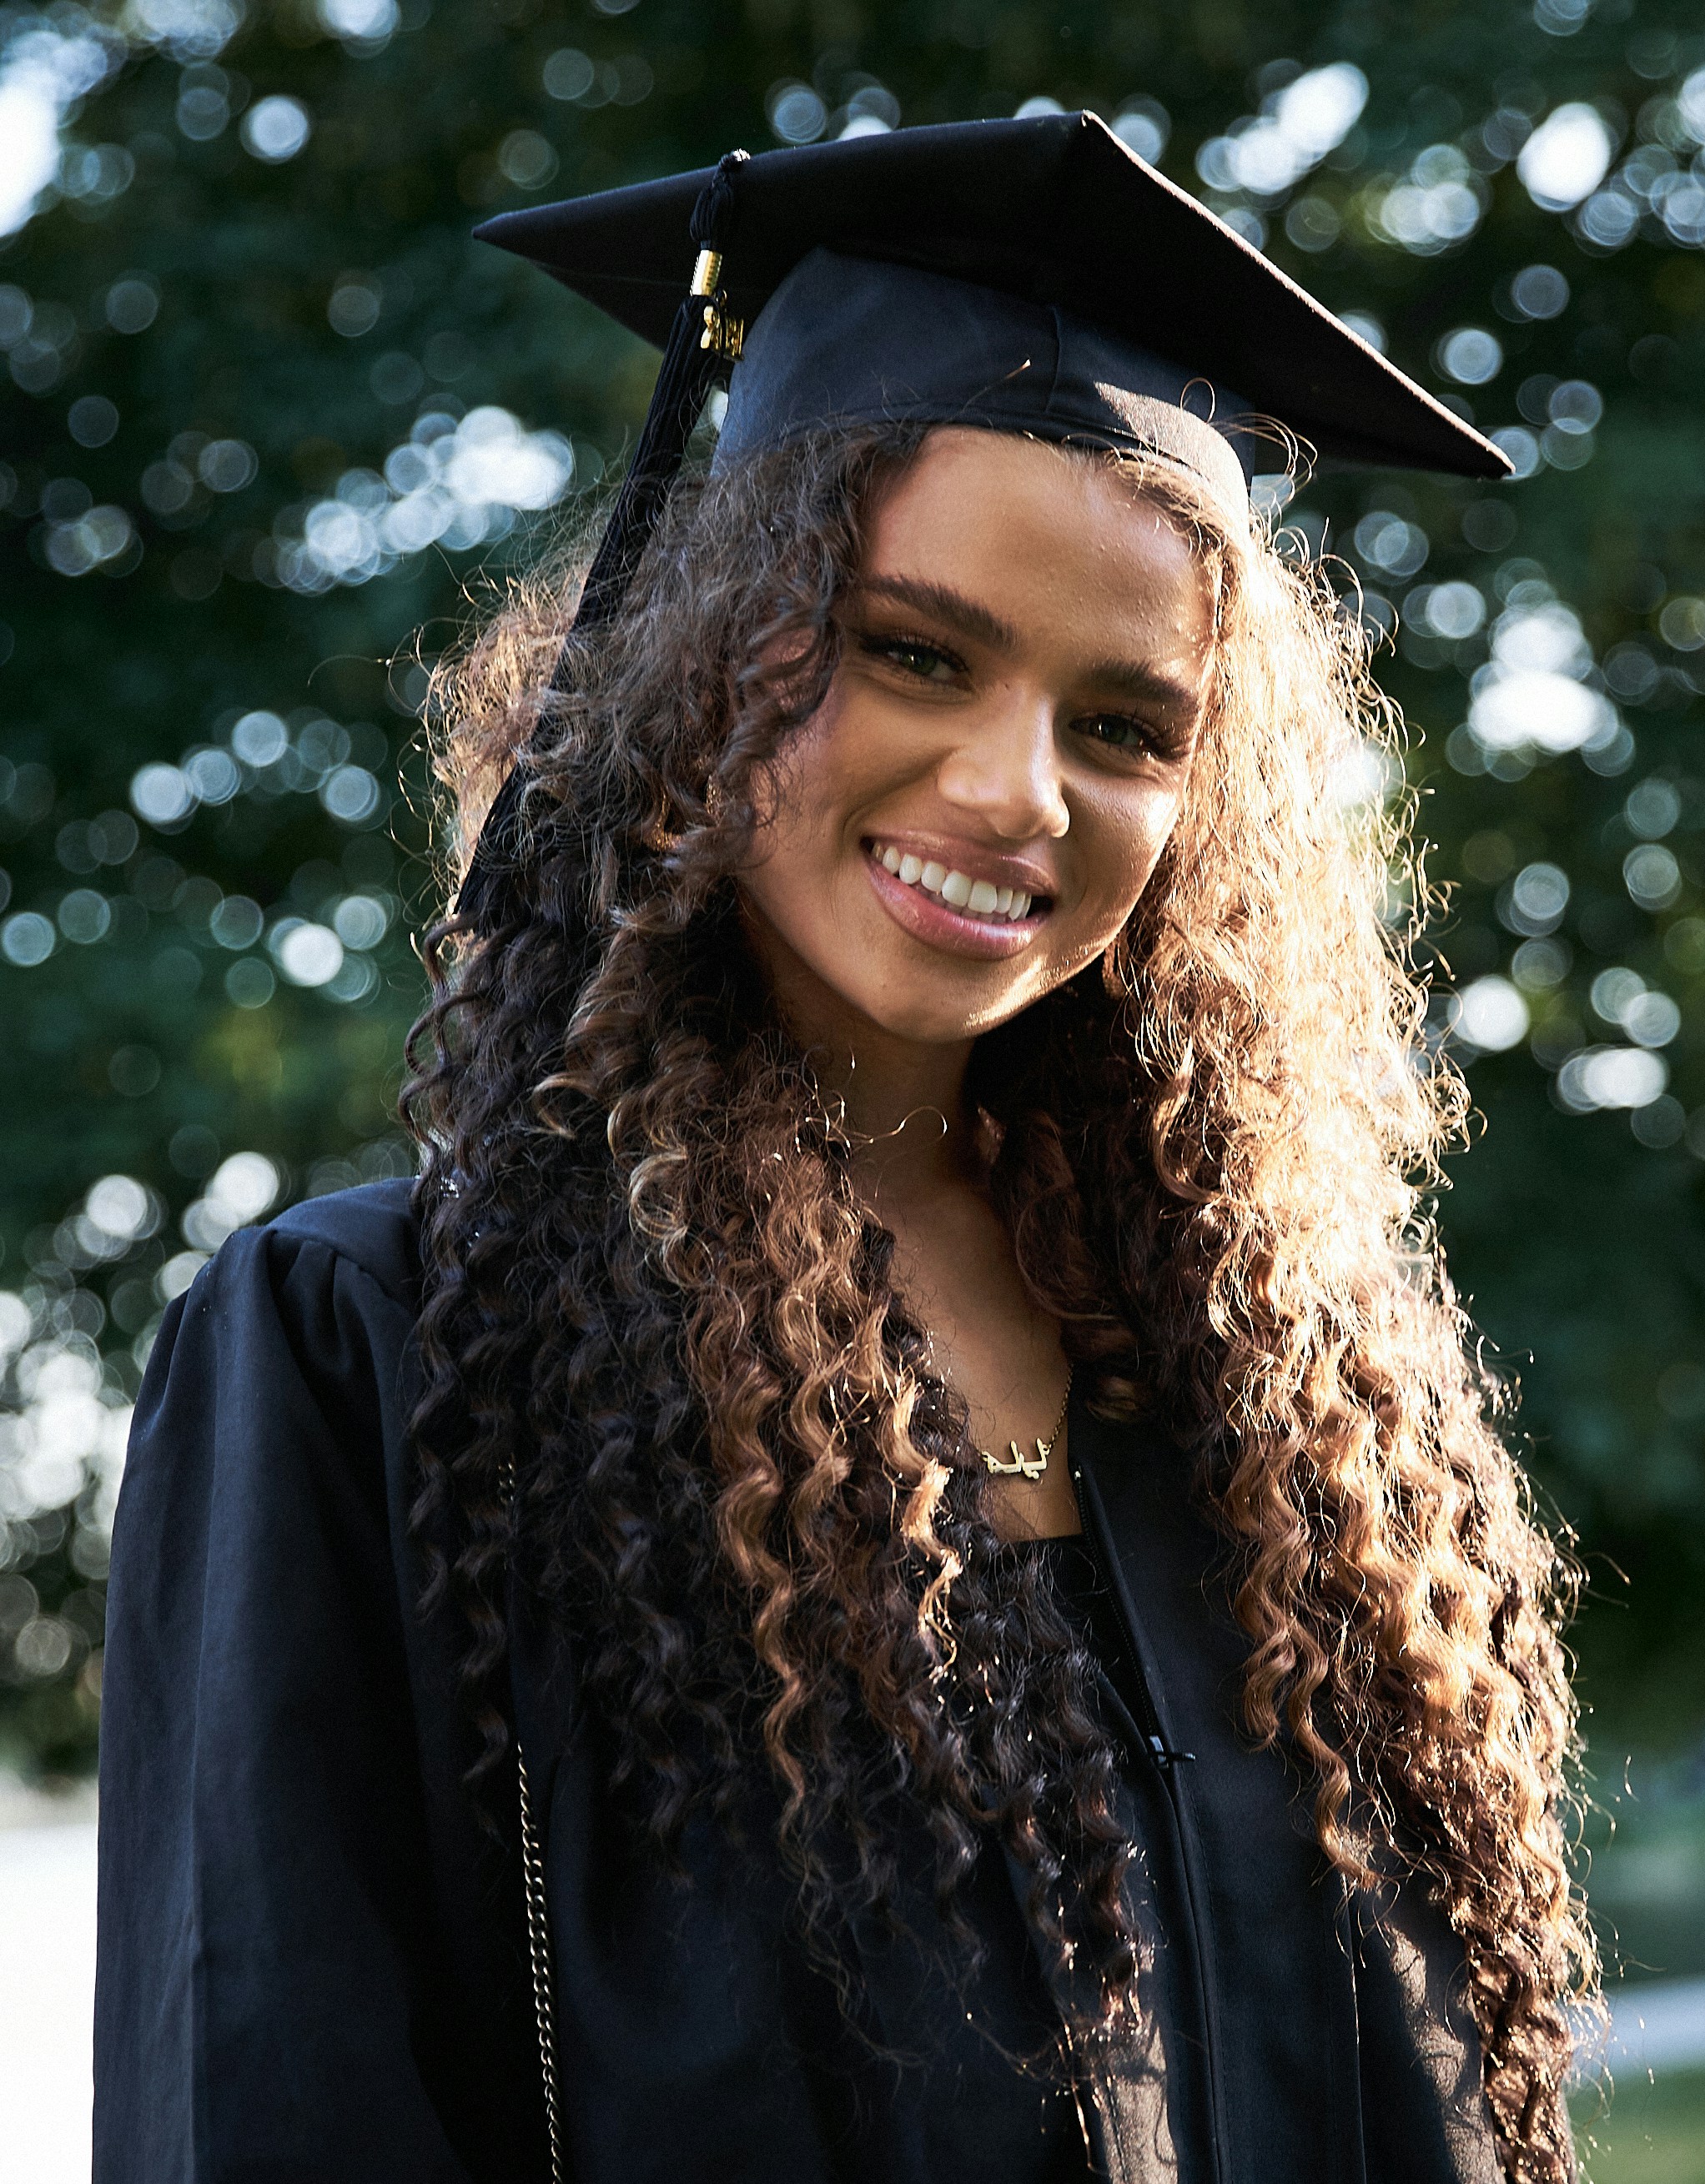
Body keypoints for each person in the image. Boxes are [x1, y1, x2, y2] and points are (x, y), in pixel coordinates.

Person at [95, 114, 1592, 2183]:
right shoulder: (385, 1356)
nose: (1016, 792)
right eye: (912, 650)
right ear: (709, 663)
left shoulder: (1279, 1390)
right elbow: (270, 2103)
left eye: (1127, 726)